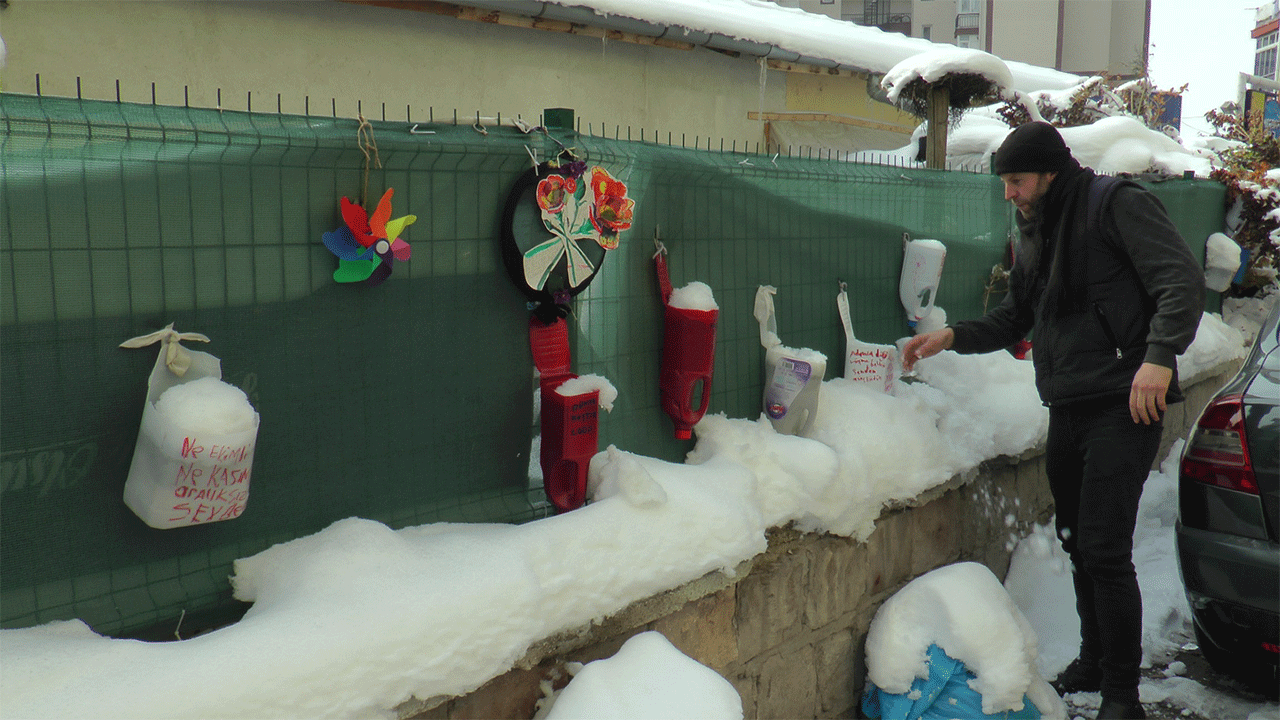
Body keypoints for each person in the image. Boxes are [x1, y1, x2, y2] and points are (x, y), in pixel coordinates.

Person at [902, 122, 1204, 720]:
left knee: (1104, 548)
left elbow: (1180, 282)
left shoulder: (1115, 204)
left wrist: (1159, 356)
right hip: (1069, 403)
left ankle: (1122, 695)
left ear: (1049, 172)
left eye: (1016, 181)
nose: (1009, 193)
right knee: (1075, 540)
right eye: (1005, 183)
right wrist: (952, 336)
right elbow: (1018, 315)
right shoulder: (1035, 230)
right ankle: (1094, 657)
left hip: (1126, 399)